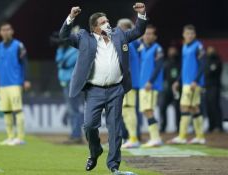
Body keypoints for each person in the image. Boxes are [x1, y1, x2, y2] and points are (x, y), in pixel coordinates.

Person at [59, 3, 147, 174]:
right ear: (95, 27)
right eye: (103, 22)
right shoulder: (85, 37)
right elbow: (64, 35)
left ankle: (114, 166)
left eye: (107, 21)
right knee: (90, 126)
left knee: (115, 129)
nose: (107, 24)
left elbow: (138, 31)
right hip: (94, 91)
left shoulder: (119, 34)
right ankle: (95, 151)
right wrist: (71, 18)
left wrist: (142, 14)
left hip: (116, 90)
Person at [0, 22, 31, 146]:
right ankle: (10, 137)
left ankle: (20, 138)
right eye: (3, 30)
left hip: (15, 83)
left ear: (12, 31)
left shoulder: (18, 45)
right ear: (0, 33)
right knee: (6, 111)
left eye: (8, 29)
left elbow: (25, 63)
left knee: (17, 110)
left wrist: (26, 79)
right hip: (3, 85)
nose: (5, 32)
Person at [168, 24, 206, 145]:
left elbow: (202, 64)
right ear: (183, 35)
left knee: (184, 107)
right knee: (194, 108)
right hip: (186, 82)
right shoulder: (184, 46)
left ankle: (182, 136)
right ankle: (200, 137)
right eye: (187, 33)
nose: (189, 36)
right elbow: (185, 67)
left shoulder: (198, 46)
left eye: (191, 34)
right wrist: (178, 81)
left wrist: (195, 80)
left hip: (193, 83)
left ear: (194, 35)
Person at [55, 26, 84, 144]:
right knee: (72, 109)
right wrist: (61, 48)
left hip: (74, 82)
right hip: (65, 82)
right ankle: (74, 134)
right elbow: (58, 61)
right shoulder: (64, 49)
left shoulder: (78, 48)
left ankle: (77, 135)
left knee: (74, 109)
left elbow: (64, 63)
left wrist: (63, 50)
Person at [117, 18, 142, 149]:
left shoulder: (127, 43)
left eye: (120, 28)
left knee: (128, 110)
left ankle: (133, 138)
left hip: (128, 81)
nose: (117, 30)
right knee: (127, 111)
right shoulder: (134, 43)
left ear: (127, 29)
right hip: (132, 81)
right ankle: (130, 137)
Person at [138, 24, 164, 148]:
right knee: (146, 111)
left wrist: (151, 82)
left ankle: (155, 138)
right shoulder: (142, 48)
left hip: (151, 86)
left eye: (150, 34)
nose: (147, 36)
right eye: (145, 33)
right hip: (143, 85)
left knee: (149, 110)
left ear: (155, 36)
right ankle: (154, 137)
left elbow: (159, 66)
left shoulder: (157, 48)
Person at [159, 46, 181, 133]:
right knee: (162, 107)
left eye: (173, 51)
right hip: (167, 90)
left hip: (177, 89)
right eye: (170, 51)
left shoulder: (179, 63)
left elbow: (181, 75)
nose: (172, 52)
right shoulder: (166, 63)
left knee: (177, 108)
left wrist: (178, 82)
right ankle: (163, 126)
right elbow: (162, 76)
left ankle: (178, 127)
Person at [204, 46, 223, 132]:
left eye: (212, 50)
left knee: (215, 105)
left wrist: (207, 71)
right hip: (206, 87)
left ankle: (218, 126)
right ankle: (211, 126)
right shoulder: (205, 61)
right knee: (208, 107)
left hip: (214, 86)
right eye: (209, 50)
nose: (210, 52)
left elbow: (210, 72)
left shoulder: (217, 61)